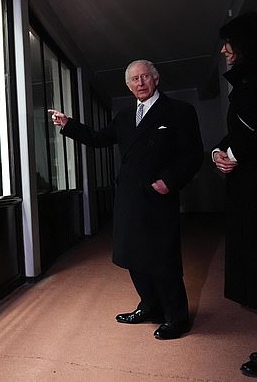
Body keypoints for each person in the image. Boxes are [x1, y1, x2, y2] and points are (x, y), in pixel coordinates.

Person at [49, 59, 203, 340]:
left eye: (145, 76)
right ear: (128, 85)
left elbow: (193, 155)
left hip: (158, 196)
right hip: (129, 199)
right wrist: (69, 124)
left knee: (163, 259)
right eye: (134, 79)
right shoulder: (123, 116)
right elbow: (98, 139)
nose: (140, 82)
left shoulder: (180, 111)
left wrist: (169, 182)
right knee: (133, 256)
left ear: (156, 79)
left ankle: (177, 318)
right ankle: (150, 307)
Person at [212, 11, 257, 378]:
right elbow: (239, 132)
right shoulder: (249, 79)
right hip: (254, 188)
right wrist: (218, 152)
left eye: (229, 43)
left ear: (246, 44)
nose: (224, 50)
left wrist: (237, 153)